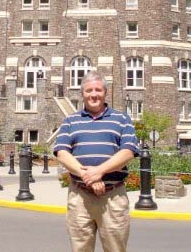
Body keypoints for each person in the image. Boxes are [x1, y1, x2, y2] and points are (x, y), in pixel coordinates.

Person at [54, 71, 139, 252]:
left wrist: (99, 171)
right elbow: (61, 152)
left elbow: (128, 151)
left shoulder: (122, 119)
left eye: (98, 90)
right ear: (82, 94)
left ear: (105, 92)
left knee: (116, 248)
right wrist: (89, 176)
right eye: (89, 90)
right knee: (80, 248)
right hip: (80, 197)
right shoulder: (70, 121)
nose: (94, 94)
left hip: (113, 197)